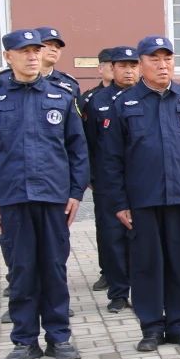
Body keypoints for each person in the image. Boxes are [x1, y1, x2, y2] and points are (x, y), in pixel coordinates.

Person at [0, 28, 88, 359]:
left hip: (54, 197)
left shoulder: (61, 96)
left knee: (53, 268)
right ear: (8, 57)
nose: (32, 56)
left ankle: (59, 337)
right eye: (24, 51)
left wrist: (75, 192)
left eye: (36, 50)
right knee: (22, 271)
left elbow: (78, 149)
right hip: (13, 198)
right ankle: (24, 341)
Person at [102, 36, 180, 352]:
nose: (163, 65)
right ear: (141, 64)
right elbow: (111, 160)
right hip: (143, 199)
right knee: (147, 265)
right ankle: (151, 327)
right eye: (155, 59)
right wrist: (119, 203)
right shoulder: (124, 104)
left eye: (168, 59)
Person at [84, 45, 140, 312]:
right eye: (122, 66)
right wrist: (92, 177)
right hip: (109, 183)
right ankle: (118, 293)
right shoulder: (96, 101)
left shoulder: (147, 96)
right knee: (113, 238)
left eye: (133, 66)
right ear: (112, 69)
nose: (128, 71)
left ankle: (143, 290)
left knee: (142, 239)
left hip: (142, 181)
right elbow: (88, 143)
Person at [82, 47, 114, 292]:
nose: (117, 69)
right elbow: (86, 141)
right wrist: (90, 175)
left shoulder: (137, 95)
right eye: (110, 65)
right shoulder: (90, 100)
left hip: (136, 176)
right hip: (104, 176)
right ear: (101, 68)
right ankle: (109, 272)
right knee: (106, 226)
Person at [35, 26, 81, 95]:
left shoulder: (69, 83)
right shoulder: (19, 79)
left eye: (58, 47)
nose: (54, 49)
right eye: (48, 44)